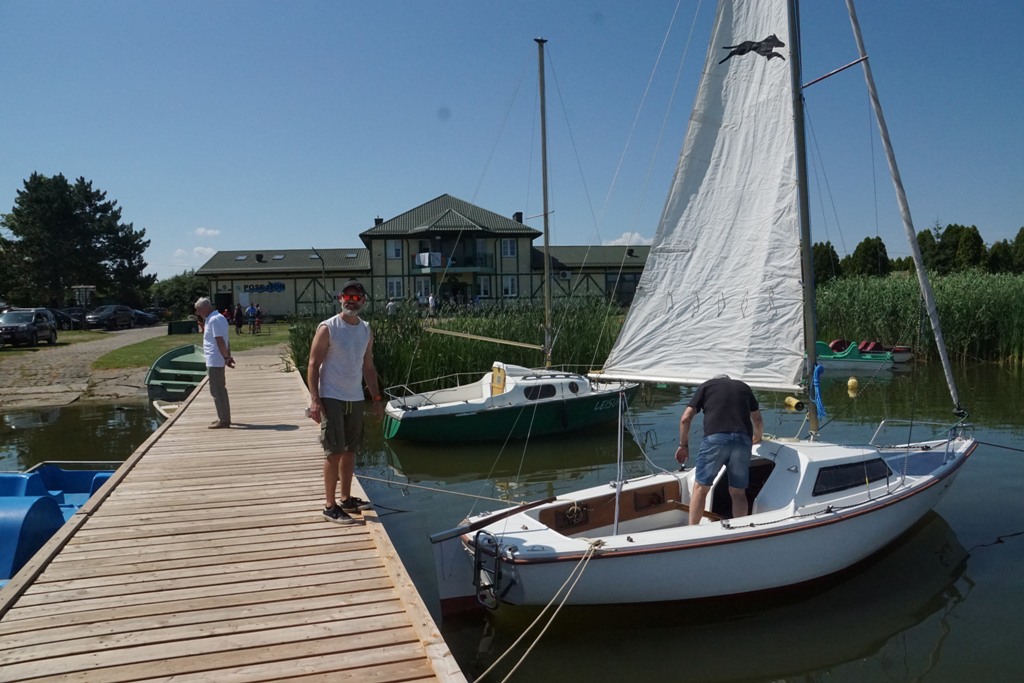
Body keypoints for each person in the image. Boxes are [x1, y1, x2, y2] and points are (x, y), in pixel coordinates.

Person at [307, 279, 385, 524]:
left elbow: (368, 366)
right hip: (332, 396)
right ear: (340, 298)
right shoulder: (328, 327)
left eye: (356, 297)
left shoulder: (366, 329)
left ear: (363, 301)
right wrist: (315, 401)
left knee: (351, 450)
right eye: (347, 297)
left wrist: (376, 398)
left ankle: (346, 498)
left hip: (355, 397)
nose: (351, 301)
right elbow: (313, 364)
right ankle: (329, 506)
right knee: (334, 451)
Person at [675, 374, 763, 526]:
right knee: (738, 492)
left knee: (701, 488)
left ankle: (692, 530)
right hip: (742, 441)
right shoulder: (744, 387)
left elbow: (685, 418)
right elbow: (757, 419)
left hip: (715, 440)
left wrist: (684, 445)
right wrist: (757, 438)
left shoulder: (707, 386)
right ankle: (741, 529)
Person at [194, 297, 235, 428]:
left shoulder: (214, 319)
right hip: (216, 359)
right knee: (218, 389)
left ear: (205, 308)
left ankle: (224, 420)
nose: (197, 313)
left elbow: (220, 340)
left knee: (217, 390)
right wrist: (227, 356)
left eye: (198, 310)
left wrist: (226, 357)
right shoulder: (215, 318)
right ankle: (223, 417)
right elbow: (225, 340)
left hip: (215, 360)